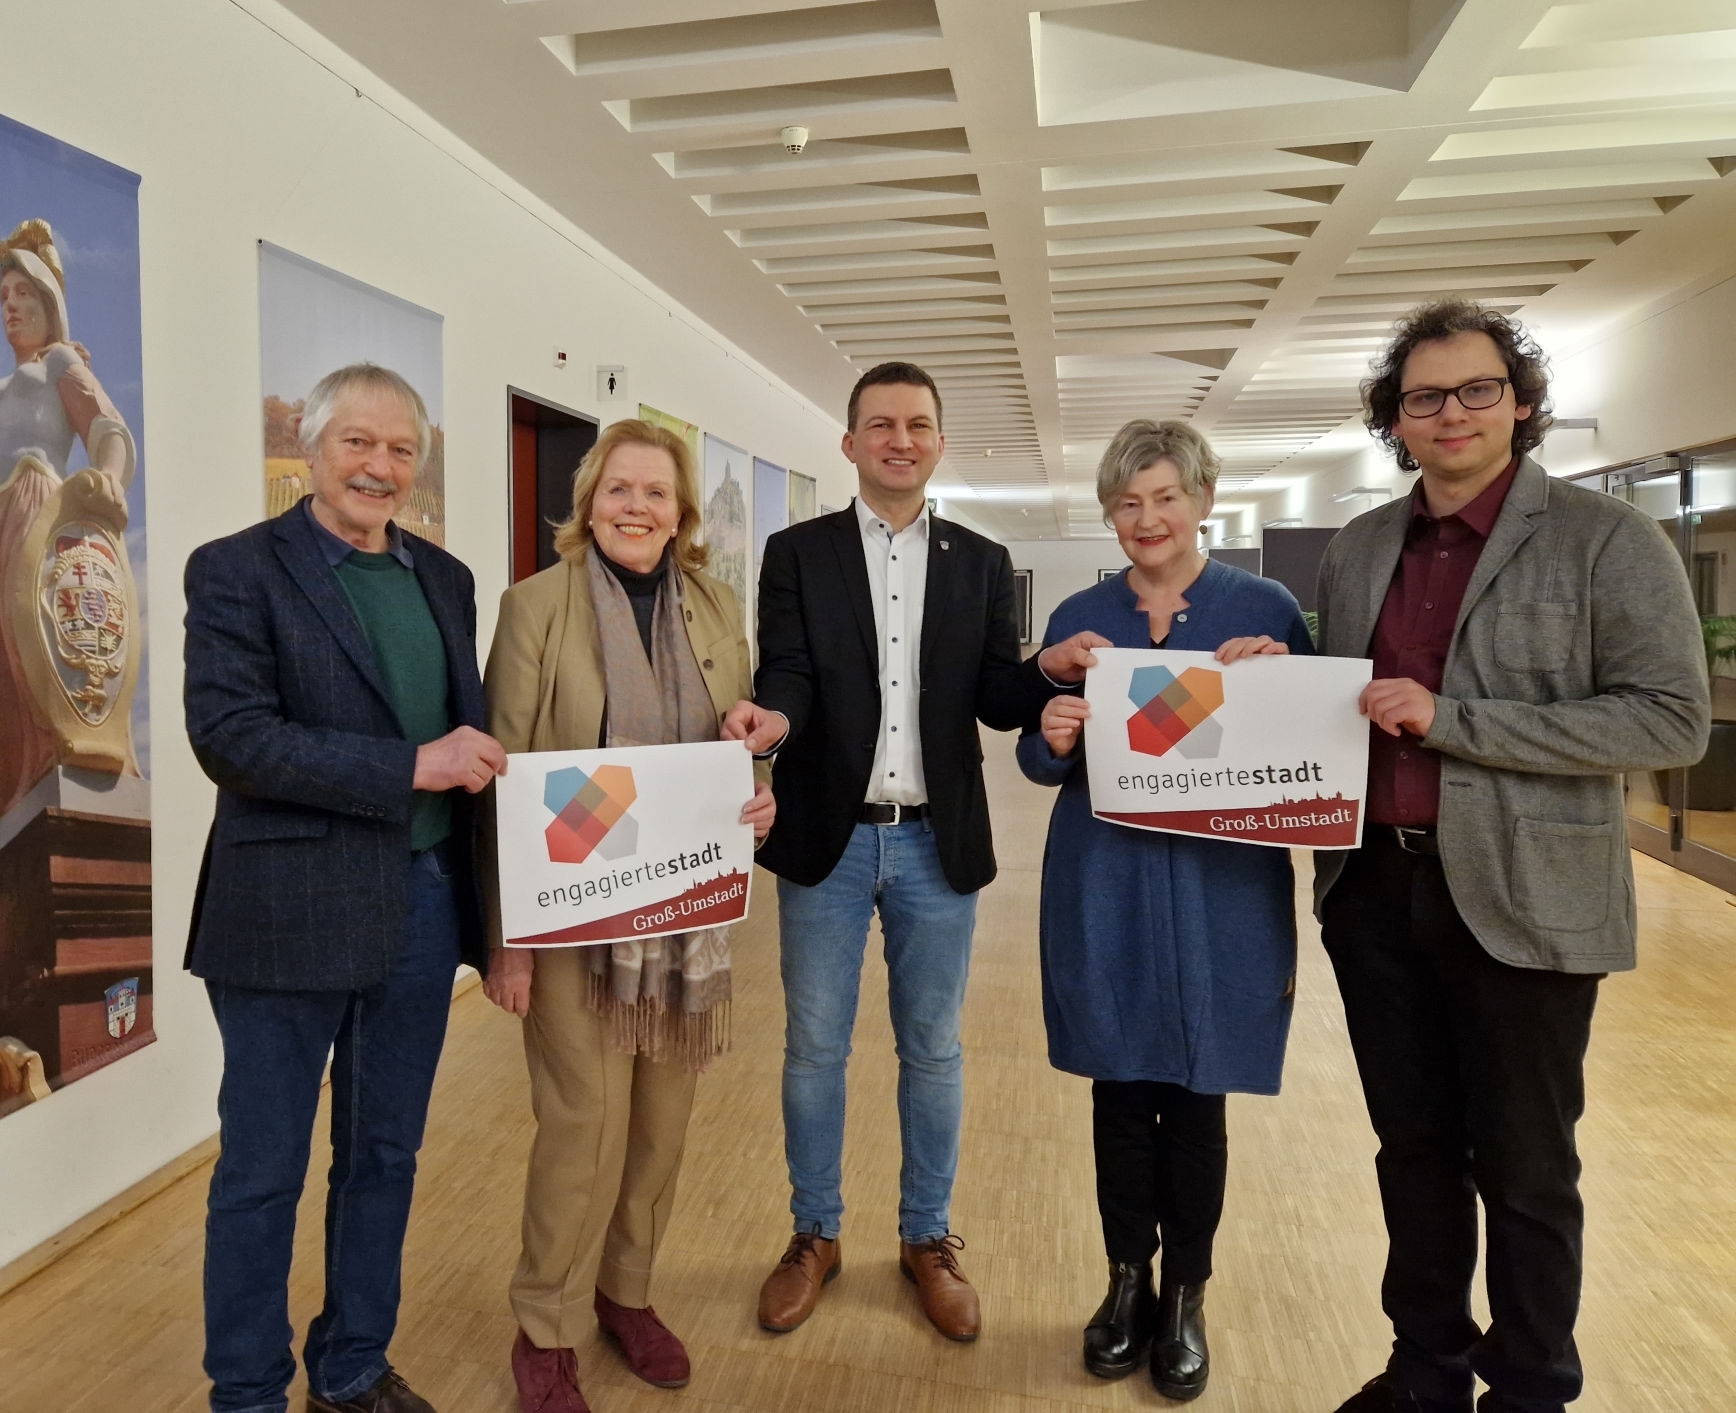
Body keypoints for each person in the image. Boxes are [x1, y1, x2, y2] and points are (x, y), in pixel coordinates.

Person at [1314, 301, 1709, 1413]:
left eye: (1475, 389)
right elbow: (1338, 701)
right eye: (1423, 396)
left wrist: (1452, 720)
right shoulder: (1359, 548)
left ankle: (1532, 1386)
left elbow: (1667, 723)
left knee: (1527, 1168)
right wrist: (1267, 677)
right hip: (1374, 890)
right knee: (1412, 1149)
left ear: (1520, 402)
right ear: (1395, 421)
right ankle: (1424, 1368)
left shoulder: (1605, 541)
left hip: (1526, 899)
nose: (1450, 412)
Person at [721, 360, 1089, 1342]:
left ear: (936, 441)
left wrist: (1041, 674)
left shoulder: (977, 559)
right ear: (849, 444)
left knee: (932, 1052)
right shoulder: (796, 553)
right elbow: (788, 670)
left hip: (937, 845)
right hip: (826, 844)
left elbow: (992, 696)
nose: (898, 438)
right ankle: (814, 1234)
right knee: (813, 1052)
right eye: (878, 424)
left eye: (916, 423)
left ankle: (927, 1238)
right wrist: (771, 721)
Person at [182, 363, 508, 1413]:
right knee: (261, 1171)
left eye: (400, 448)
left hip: (418, 905)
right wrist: (409, 766)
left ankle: (353, 1364)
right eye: (356, 443)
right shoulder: (236, 571)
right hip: (283, 918)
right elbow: (231, 739)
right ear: (310, 448)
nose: (379, 466)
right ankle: (244, 1389)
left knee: (384, 1155)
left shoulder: (444, 579)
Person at [479, 419, 776, 1413]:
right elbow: (502, 781)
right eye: (617, 490)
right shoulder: (536, 609)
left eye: (655, 492)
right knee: (583, 1125)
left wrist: (757, 781)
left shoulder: (714, 604)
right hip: (570, 917)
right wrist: (506, 942)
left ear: (682, 513)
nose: (635, 507)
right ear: (588, 501)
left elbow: (731, 744)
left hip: (683, 916)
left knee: (661, 1124)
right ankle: (545, 1326)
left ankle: (625, 1294)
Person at [1015, 419, 1313, 1401]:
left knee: (1196, 1095)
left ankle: (1186, 1294)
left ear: (1201, 500)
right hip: (1104, 878)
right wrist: (1053, 722)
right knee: (1115, 1090)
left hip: (1221, 887)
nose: (1145, 519)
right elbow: (1035, 758)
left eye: (1163, 498)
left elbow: (1315, 755)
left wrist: (1282, 688)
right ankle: (1122, 1283)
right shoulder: (1081, 613)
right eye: (1126, 502)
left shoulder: (1261, 605)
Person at [0, 217, 142, 834]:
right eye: (4, 298)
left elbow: (108, 428)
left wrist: (108, 479)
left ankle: (64, 753)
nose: (12, 307)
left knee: (35, 638)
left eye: (24, 295)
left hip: (33, 504)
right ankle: (16, 780)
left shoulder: (62, 363)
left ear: (49, 304)